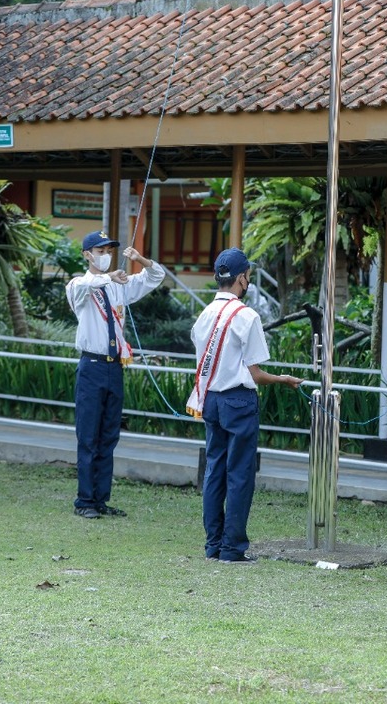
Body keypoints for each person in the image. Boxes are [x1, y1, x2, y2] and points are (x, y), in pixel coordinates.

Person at [188, 248, 302, 563]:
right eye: (248, 274)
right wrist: (282, 379)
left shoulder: (204, 314)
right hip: (238, 400)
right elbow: (255, 373)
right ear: (242, 278)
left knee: (214, 472)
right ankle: (232, 548)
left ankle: (213, 545)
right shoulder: (246, 316)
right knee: (239, 474)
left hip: (210, 399)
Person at [66, 230, 165, 519]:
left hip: (114, 366)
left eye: (109, 250)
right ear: (87, 255)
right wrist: (111, 277)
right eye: (99, 251)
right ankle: (84, 500)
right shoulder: (80, 284)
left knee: (109, 435)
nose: (105, 255)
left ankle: (100, 499)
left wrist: (141, 260)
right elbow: (87, 285)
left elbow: (155, 277)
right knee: (88, 436)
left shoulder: (119, 285)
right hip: (92, 366)